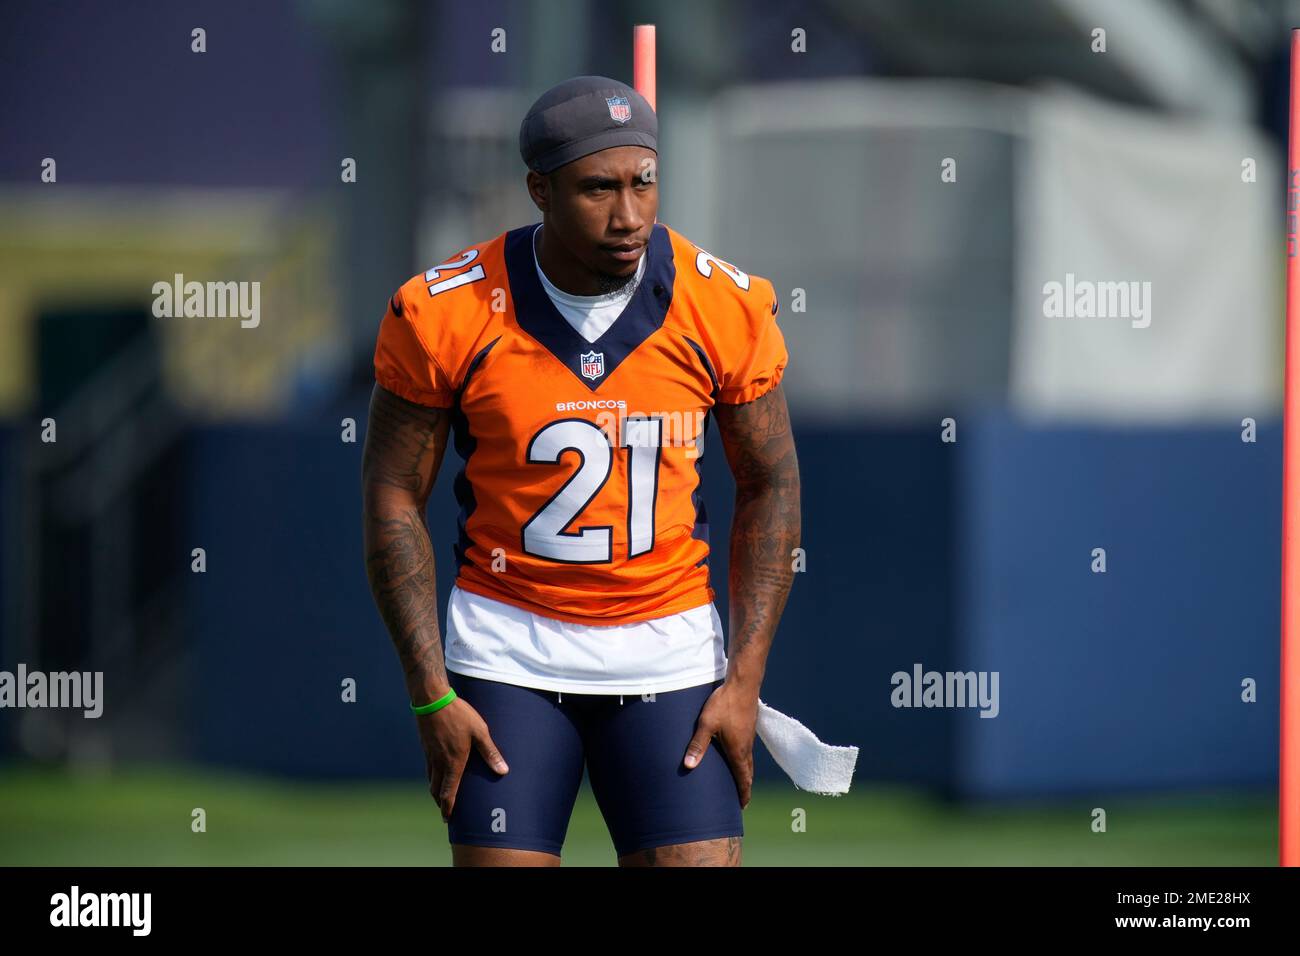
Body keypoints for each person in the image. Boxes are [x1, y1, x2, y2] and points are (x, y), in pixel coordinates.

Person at [361, 75, 800, 867]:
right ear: (540, 188)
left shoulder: (719, 306)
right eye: (598, 189)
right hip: (509, 647)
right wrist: (430, 692)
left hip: (668, 650)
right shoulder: (447, 313)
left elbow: (771, 484)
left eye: (643, 183)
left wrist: (745, 678)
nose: (628, 216)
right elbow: (393, 493)